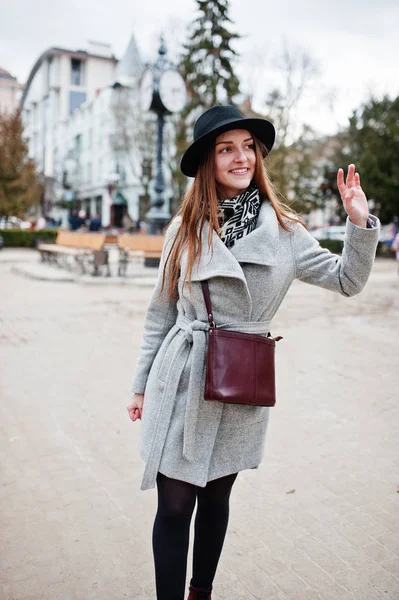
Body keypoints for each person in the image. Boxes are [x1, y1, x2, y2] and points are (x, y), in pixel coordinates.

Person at [127, 105, 380, 600]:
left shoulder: (285, 233)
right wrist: (139, 383)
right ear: (209, 161)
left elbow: (348, 281)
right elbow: (160, 310)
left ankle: (201, 591)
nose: (240, 158)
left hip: (240, 380)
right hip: (181, 376)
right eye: (226, 149)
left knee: (217, 495)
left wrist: (359, 223)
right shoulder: (183, 228)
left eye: (248, 147)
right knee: (175, 504)